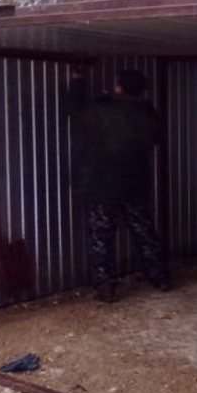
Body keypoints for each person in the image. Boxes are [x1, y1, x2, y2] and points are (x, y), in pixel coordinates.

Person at [64, 70, 171, 302]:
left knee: (102, 238)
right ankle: (160, 278)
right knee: (145, 233)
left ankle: (106, 288)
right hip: (136, 185)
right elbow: (156, 138)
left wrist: (78, 80)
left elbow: (73, 108)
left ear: (118, 86)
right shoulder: (148, 113)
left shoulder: (100, 108)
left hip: (101, 186)